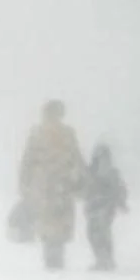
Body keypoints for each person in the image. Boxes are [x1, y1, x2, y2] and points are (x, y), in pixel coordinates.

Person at [18, 100, 86, 270]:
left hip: (47, 187)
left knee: (50, 226)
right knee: (57, 225)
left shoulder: (38, 133)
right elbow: (76, 158)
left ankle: (52, 261)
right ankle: (55, 260)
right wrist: (81, 180)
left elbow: (27, 161)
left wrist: (24, 183)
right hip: (59, 186)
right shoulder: (66, 133)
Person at [83, 143, 128, 271]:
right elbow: (84, 187)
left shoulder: (112, 172)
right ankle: (101, 259)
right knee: (93, 233)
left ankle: (106, 259)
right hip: (93, 207)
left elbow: (119, 188)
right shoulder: (90, 171)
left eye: (104, 156)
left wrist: (121, 202)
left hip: (106, 206)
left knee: (102, 232)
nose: (102, 160)